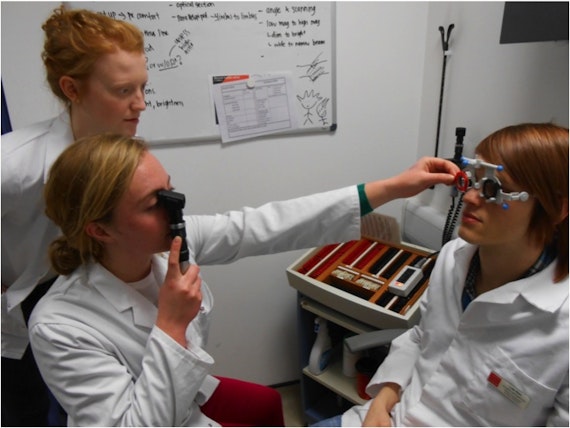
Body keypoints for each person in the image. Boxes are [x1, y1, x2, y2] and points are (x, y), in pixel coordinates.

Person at [27, 133, 459, 426]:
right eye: (151, 203)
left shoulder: (165, 243)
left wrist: (391, 188)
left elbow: (263, 226)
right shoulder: (59, 326)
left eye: (170, 189)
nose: (176, 208)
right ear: (100, 230)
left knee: (267, 403)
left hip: (188, 396)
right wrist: (171, 327)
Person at [325, 123, 568, 427]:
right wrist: (383, 400)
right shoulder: (454, 257)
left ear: (557, 209)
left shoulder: (561, 327)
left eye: (493, 189)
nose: (469, 198)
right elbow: (422, 337)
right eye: (472, 180)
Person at [1, 5, 147, 426]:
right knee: (25, 409)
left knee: (99, 401)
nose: (140, 104)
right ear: (72, 89)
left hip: (80, 286)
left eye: (143, 87)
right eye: (124, 90)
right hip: (22, 296)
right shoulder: (14, 164)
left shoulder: (122, 153)